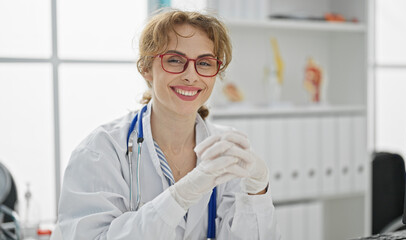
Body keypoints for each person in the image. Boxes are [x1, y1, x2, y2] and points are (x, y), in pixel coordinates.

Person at [58, 9, 281, 239]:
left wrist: (258, 191)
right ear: (146, 68)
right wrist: (179, 197)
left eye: (204, 63)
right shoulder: (101, 152)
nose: (191, 76)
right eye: (175, 60)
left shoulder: (227, 152)